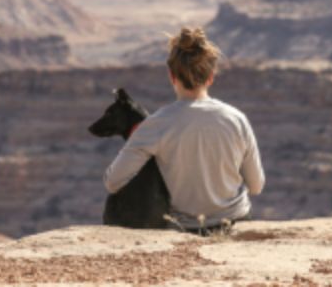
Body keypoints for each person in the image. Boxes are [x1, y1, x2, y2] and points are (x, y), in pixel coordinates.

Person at [103, 27, 265, 233]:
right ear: (211, 77)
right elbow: (256, 186)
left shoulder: (155, 124)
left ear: (172, 76)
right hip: (236, 223)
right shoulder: (237, 119)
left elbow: (112, 182)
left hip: (186, 230)